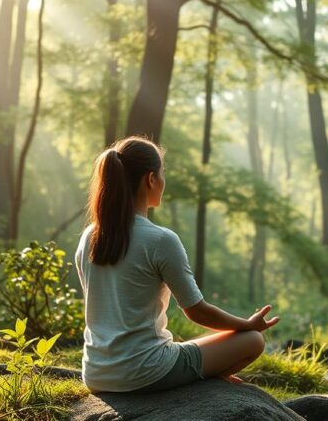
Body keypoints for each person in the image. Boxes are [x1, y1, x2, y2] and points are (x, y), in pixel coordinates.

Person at [74, 136, 279, 393]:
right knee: (252, 341)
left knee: (185, 346)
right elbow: (197, 311)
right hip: (145, 373)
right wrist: (248, 325)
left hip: (96, 373)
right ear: (151, 179)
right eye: (162, 173)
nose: (163, 181)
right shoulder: (160, 240)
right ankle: (206, 379)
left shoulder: (90, 236)